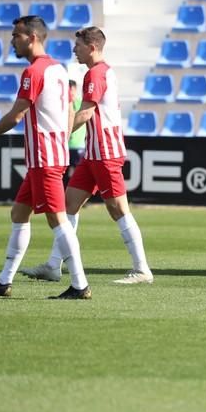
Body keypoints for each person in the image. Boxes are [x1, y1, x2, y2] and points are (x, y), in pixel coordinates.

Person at [20, 26, 153, 285]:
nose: (74, 49)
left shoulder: (95, 74)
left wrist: (61, 132)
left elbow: (86, 113)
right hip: (94, 154)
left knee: (118, 210)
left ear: (92, 47)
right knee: (68, 206)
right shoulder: (104, 72)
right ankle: (53, 265)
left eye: (78, 45)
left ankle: (142, 269)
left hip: (105, 152)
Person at [0, 15, 91, 299]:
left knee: (57, 220)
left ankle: (80, 285)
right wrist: (62, 139)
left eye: (16, 35)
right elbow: (68, 108)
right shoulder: (57, 69)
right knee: (19, 213)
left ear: (32, 37)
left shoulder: (34, 72)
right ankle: (4, 281)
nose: (12, 40)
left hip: (44, 158)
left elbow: (17, 115)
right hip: (48, 155)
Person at [65, 79, 86, 183]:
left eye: (72, 89)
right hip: (65, 145)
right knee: (64, 174)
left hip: (79, 146)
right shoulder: (62, 105)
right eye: (69, 90)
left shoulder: (81, 104)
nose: (71, 92)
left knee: (77, 174)